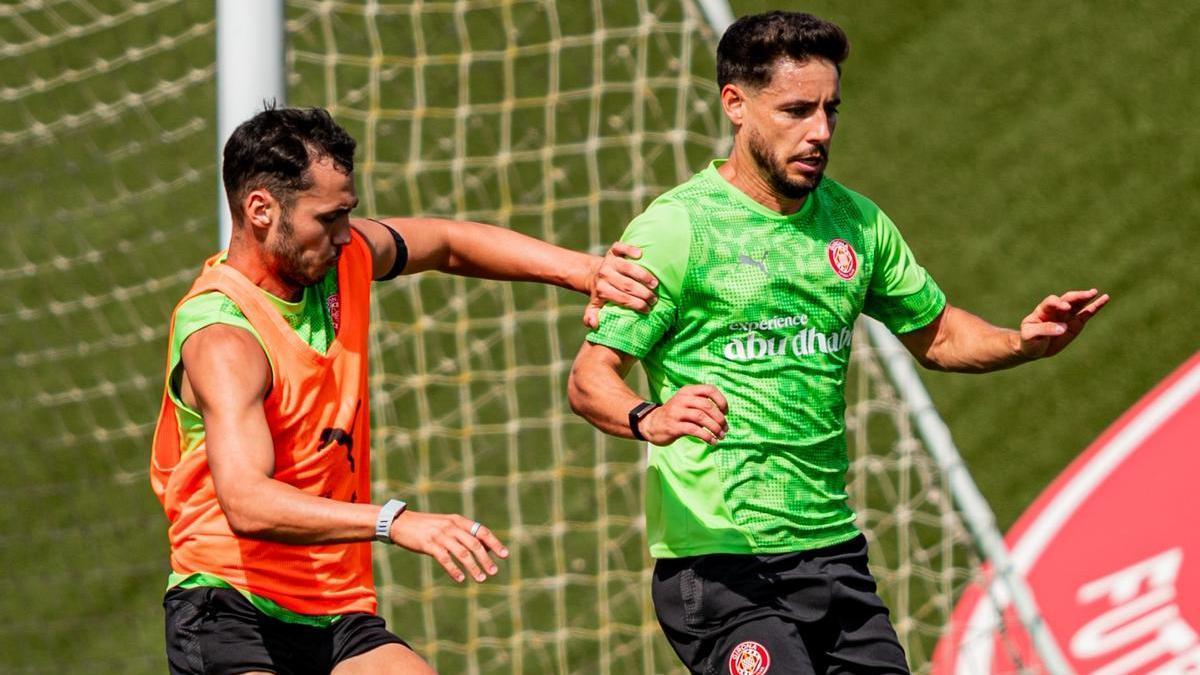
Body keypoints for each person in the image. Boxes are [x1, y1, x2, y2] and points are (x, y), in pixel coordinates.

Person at [567, 11, 1108, 675]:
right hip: (722, 565)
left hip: (834, 555)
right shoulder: (678, 231)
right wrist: (649, 417)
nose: (819, 131)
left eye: (830, 110)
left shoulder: (855, 223)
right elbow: (590, 378)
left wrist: (1021, 341)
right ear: (735, 104)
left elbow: (938, 334)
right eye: (796, 111)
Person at [150, 105, 658, 675]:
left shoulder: (342, 261)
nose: (346, 235)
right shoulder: (225, 337)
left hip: (333, 606)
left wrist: (587, 272)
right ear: (261, 209)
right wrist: (395, 521)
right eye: (328, 218)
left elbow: (447, 242)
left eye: (349, 213)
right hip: (227, 604)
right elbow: (246, 501)